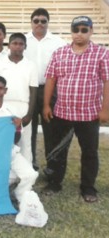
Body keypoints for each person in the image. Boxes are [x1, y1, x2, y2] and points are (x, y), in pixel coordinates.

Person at [42, 16, 109, 203]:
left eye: (84, 30)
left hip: (89, 114)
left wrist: (106, 109)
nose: (79, 34)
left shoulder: (102, 54)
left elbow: (107, 81)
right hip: (62, 112)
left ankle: (88, 188)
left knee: (89, 152)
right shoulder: (59, 53)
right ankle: (54, 183)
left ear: (91, 31)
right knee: (58, 150)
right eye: (76, 30)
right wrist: (47, 105)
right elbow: (50, 79)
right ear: (71, 31)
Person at [0, 75, 38, 203]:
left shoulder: (12, 110)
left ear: (5, 91)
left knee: (31, 174)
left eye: (0, 89)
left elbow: (17, 137)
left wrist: (17, 125)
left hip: (10, 152)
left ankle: (20, 195)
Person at [25, 8, 67, 170]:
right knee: (29, 131)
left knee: (52, 131)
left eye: (43, 21)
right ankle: (31, 165)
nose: (40, 24)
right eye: (36, 21)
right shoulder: (23, 41)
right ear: (31, 22)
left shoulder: (59, 43)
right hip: (29, 91)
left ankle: (52, 166)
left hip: (51, 91)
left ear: (48, 23)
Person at [0, 33, 38, 163]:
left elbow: (33, 90)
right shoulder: (0, 64)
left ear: (25, 46)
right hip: (4, 106)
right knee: (4, 142)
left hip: (23, 106)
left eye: (21, 44)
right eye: (14, 43)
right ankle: (6, 175)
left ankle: (27, 178)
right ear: (9, 45)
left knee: (25, 143)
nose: (17, 47)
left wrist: (29, 114)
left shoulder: (31, 65)